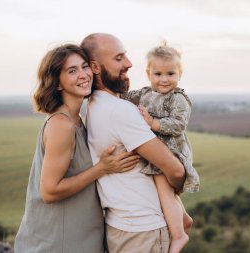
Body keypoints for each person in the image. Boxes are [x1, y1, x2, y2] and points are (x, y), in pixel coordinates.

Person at [14, 44, 140, 253]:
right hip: (57, 243)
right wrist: (102, 168)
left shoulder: (77, 120)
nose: (83, 75)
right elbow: (49, 191)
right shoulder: (61, 125)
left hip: (79, 240)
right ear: (57, 83)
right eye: (72, 71)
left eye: (84, 67)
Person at [81, 33, 186, 253]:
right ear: (96, 67)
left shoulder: (92, 106)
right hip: (143, 229)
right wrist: (175, 191)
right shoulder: (120, 111)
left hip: (119, 225)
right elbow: (175, 170)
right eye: (119, 58)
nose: (129, 64)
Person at [121, 41, 200, 253]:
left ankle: (179, 235)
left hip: (171, 151)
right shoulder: (144, 93)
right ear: (148, 73)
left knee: (164, 191)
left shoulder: (179, 99)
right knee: (166, 193)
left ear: (179, 73)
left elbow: (179, 125)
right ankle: (184, 219)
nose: (164, 79)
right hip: (156, 150)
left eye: (170, 73)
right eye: (158, 74)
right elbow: (122, 99)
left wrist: (153, 124)